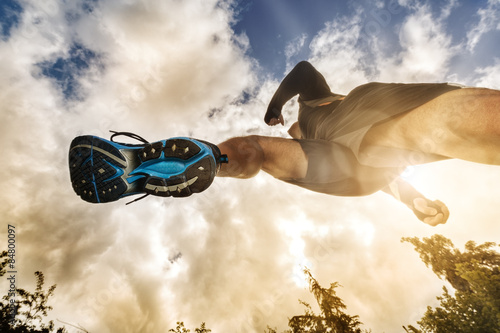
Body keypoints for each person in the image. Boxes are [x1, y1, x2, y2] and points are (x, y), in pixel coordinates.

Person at [68, 61, 500, 226]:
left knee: (258, 147)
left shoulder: (315, 107)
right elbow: (390, 177)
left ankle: (193, 162)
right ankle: (172, 164)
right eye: (292, 128)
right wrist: (413, 201)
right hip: (351, 165)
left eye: (292, 128)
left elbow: (306, 73)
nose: (290, 130)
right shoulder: (306, 129)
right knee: (257, 149)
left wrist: (278, 105)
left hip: (364, 123)